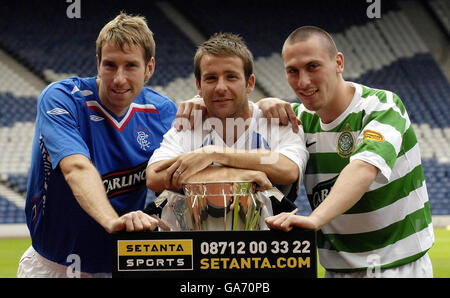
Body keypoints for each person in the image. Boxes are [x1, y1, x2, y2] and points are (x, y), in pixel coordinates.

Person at [258, 26, 434, 277]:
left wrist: (315, 219)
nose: (303, 82)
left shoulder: (382, 106)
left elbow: (363, 168)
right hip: (336, 269)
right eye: (292, 71)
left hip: (397, 267)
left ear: (338, 62)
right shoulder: (297, 120)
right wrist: (261, 105)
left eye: (313, 67)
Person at [18, 12, 177, 277]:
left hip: (121, 264)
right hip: (54, 266)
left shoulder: (162, 111)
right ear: (98, 63)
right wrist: (111, 221)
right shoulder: (62, 99)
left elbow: (182, 175)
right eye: (110, 65)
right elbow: (77, 168)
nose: (118, 79)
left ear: (149, 68)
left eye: (131, 66)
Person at [146, 33, 308, 216]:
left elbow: (288, 169)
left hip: (263, 243)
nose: (221, 88)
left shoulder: (276, 122)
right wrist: (239, 177)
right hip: (193, 243)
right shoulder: (189, 125)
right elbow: (155, 176)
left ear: (250, 83)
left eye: (231, 77)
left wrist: (212, 154)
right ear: (199, 86)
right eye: (211, 78)